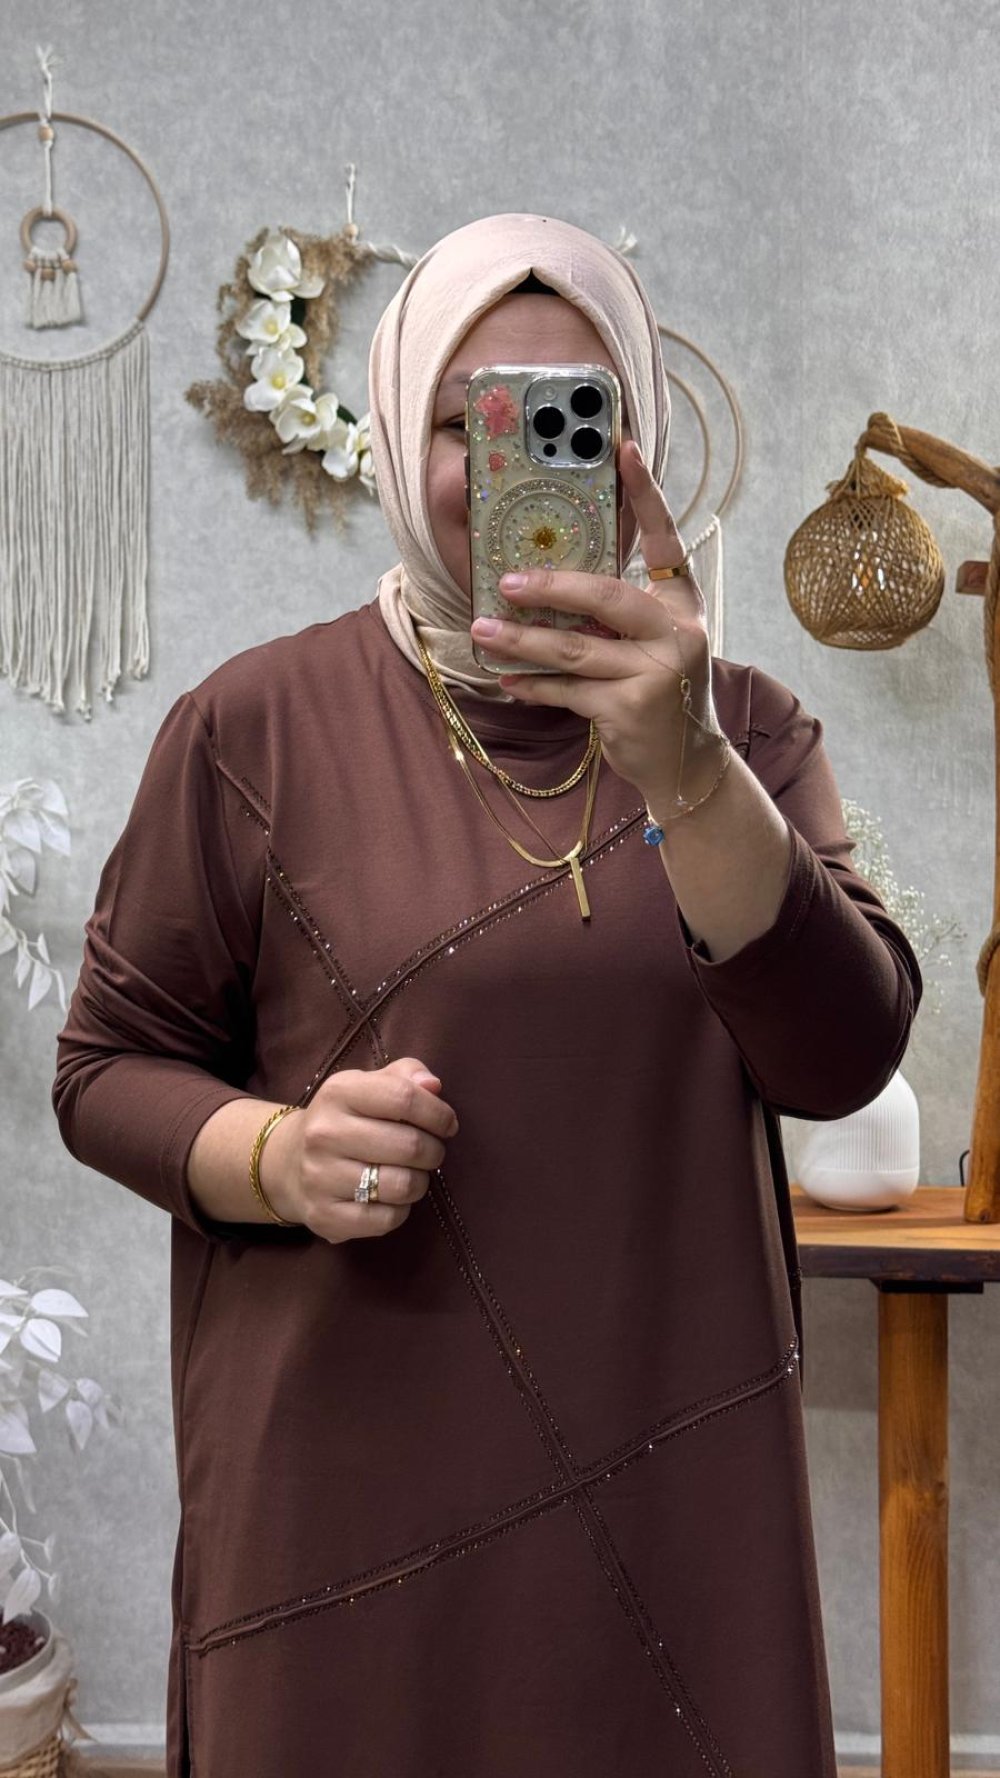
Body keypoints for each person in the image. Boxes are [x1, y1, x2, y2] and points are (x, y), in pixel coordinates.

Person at [53, 213, 920, 1778]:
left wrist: (689, 770)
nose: (514, 462)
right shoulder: (254, 728)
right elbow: (106, 1066)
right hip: (346, 1502)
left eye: (574, 415)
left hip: (670, 1484)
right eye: (470, 419)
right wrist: (277, 1154)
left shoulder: (747, 731)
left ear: (639, 447)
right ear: (400, 438)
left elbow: (843, 1054)